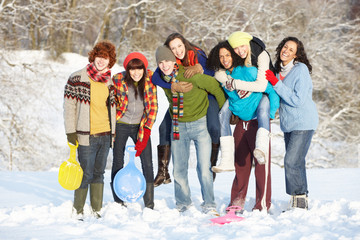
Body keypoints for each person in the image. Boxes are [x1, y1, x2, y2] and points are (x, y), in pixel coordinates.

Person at [154, 45, 226, 215]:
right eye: (161, 62)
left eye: (167, 61)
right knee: (179, 169)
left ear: (174, 61)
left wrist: (223, 111)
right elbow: (153, 78)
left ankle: (209, 204)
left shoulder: (190, 75)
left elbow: (216, 87)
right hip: (178, 127)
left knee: (204, 168)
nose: (164, 65)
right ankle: (183, 204)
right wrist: (172, 86)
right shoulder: (164, 80)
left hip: (200, 125)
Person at [207, 41, 273, 212]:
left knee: (261, 164)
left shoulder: (248, 70)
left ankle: (262, 205)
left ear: (234, 56)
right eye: (221, 56)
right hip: (241, 123)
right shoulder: (222, 76)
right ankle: (237, 201)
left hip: (257, 120)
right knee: (240, 164)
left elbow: (267, 87)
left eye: (228, 55)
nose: (225, 59)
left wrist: (270, 112)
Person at [63, 40, 117, 219]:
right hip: (86, 135)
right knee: (85, 173)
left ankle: (96, 209)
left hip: (105, 134)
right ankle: (78, 210)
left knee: (99, 173)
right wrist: (71, 132)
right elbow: (69, 108)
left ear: (110, 61)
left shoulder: (110, 82)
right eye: (99, 56)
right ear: (94, 57)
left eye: (106, 58)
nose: (102, 61)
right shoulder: (77, 78)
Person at [265, 37, 318, 209]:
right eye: (285, 47)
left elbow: (297, 99)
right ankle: (300, 199)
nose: (286, 51)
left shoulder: (300, 69)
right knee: (297, 162)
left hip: (303, 122)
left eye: (291, 49)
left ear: (296, 55)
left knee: (291, 161)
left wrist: (276, 83)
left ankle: (299, 199)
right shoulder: (278, 70)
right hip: (289, 124)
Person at [214, 32, 275, 171]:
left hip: (265, 90)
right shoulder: (235, 55)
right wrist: (228, 81)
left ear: (248, 43)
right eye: (235, 48)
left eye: (242, 46)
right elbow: (219, 70)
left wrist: (235, 84)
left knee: (263, 112)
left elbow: (261, 85)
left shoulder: (261, 55)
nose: (239, 51)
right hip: (242, 94)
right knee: (222, 113)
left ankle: (261, 148)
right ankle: (227, 160)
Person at [111, 52, 158, 209]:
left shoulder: (151, 79)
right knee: (118, 160)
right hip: (121, 124)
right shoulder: (118, 79)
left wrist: (146, 132)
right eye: (132, 69)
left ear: (144, 69)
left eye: (140, 69)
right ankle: (119, 201)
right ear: (127, 70)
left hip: (140, 125)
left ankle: (149, 204)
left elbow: (153, 107)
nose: (136, 72)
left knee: (147, 162)